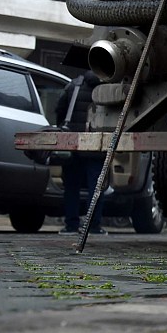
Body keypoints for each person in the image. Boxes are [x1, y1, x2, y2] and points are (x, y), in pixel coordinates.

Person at [54, 70, 106, 234]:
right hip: (97, 144)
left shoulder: (73, 86)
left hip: (74, 144)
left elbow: (59, 110)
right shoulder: (107, 89)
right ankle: (94, 226)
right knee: (96, 188)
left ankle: (71, 225)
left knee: (71, 187)